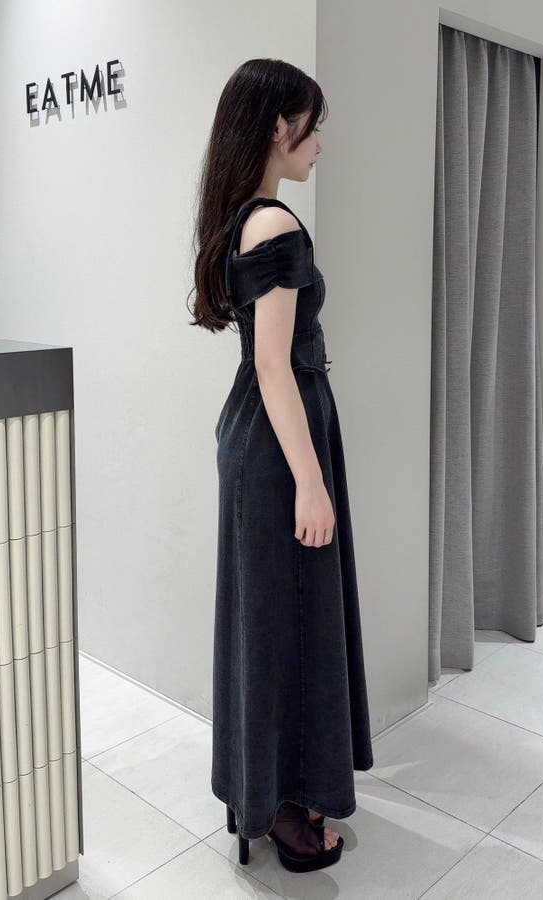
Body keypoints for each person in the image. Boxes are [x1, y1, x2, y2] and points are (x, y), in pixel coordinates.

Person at [188, 58, 373, 874]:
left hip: (265, 436)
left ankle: (263, 796)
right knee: (291, 624)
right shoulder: (275, 225)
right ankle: (292, 814)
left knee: (269, 619)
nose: (319, 142)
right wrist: (310, 480)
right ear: (276, 127)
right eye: (310, 124)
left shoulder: (244, 219)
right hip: (279, 442)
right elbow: (273, 364)